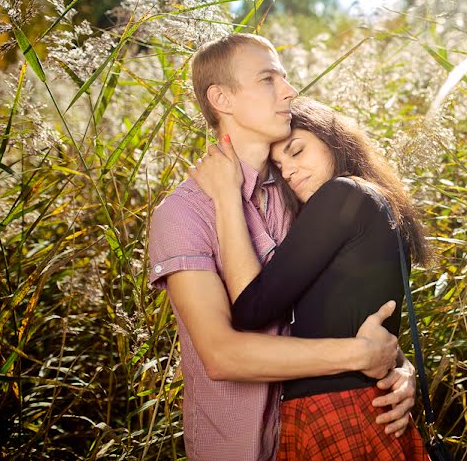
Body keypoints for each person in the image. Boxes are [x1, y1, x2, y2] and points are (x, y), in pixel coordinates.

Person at [147, 34, 416, 461]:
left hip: (325, 431)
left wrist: (399, 368)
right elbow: (221, 355)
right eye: (268, 79)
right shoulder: (184, 213)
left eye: (286, 78)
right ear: (222, 98)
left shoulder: (302, 195)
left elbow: (346, 304)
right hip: (239, 451)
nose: (289, 91)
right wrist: (360, 355)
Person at [189, 97, 429, 460]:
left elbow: (251, 309)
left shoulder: (342, 195)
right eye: (280, 165)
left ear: (333, 139)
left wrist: (226, 197)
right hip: (360, 406)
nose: (289, 171)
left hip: (340, 411)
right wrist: (401, 364)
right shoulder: (373, 203)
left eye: (297, 151)